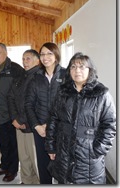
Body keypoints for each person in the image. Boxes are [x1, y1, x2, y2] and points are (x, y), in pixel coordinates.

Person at [45, 52, 116, 184]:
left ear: (90, 70)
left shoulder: (101, 94)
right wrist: (51, 146)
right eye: (73, 67)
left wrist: (98, 150)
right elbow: (53, 119)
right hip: (63, 150)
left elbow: (109, 125)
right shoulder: (63, 92)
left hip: (89, 156)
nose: (77, 70)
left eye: (82, 67)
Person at [25, 42, 66, 184]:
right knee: (43, 167)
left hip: (61, 130)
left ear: (56, 55)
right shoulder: (36, 78)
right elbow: (29, 104)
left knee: (62, 167)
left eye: (49, 53)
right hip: (40, 130)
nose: (45, 57)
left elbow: (68, 106)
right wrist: (36, 126)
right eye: (42, 54)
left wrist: (52, 126)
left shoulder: (66, 75)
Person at [0, 43, 25, 182]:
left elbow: (21, 95)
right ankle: (4, 166)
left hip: (10, 115)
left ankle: (12, 170)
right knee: (3, 143)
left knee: (13, 144)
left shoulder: (15, 69)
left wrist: (18, 116)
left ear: (5, 53)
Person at [8, 49, 40, 184]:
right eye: (23, 59)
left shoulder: (40, 77)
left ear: (37, 61)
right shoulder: (21, 76)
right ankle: (27, 181)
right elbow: (11, 97)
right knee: (24, 156)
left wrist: (21, 120)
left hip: (33, 125)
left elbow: (36, 104)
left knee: (35, 158)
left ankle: (39, 181)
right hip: (18, 124)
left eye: (28, 59)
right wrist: (15, 118)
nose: (25, 62)